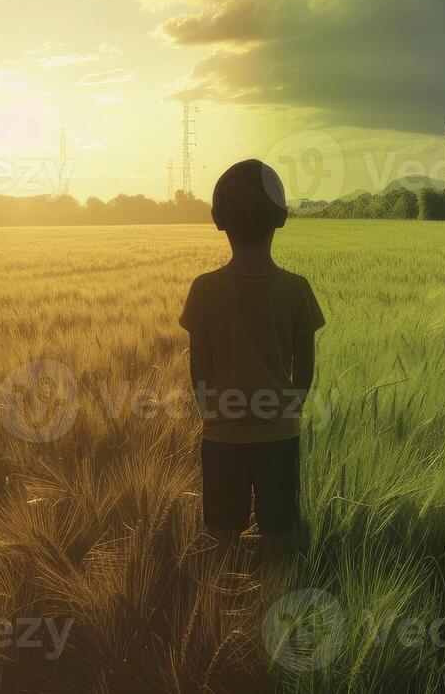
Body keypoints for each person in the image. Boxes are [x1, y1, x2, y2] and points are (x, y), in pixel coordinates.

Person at [179, 159, 324, 579]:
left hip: (223, 435)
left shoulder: (204, 289)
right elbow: (306, 365)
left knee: (222, 533)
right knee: (278, 533)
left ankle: (220, 616)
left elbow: (198, 368)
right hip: (278, 434)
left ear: (218, 220)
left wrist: (213, 413)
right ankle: (274, 614)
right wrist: (289, 407)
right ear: (280, 218)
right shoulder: (296, 289)